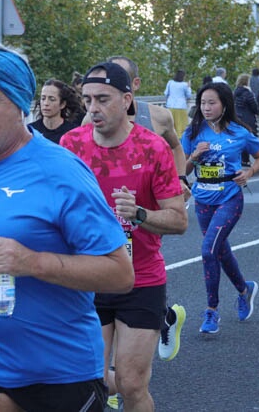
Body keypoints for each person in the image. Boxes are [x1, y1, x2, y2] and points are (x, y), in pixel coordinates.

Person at [0, 43, 133, 412]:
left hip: (57, 370)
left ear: (20, 107)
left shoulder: (61, 172)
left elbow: (120, 274)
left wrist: (33, 263)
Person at [62, 61, 187, 412]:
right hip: (88, 276)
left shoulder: (152, 148)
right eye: (87, 100)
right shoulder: (72, 144)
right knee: (93, 379)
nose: (93, 108)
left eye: (102, 99)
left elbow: (178, 221)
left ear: (127, 99)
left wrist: (140, 214)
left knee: (132, 384)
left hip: (140, 279)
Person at [104, 56, 190, 361]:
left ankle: (149, 323)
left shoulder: (158, 116)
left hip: (149, 202)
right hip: (115, 205)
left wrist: (178, 179)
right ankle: (161, 318)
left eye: (120, 80)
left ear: (134, 86)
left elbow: (176, 148)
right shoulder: (93, 121)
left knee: (142, 261)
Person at [182, 81, 259, 335]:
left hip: (229, 196)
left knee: (209, 250)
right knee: (219, 250)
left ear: (224, 104)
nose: (206, 108)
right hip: (203, 198)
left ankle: (211, 311)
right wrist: (194, 156)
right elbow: (182, 170)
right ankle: (244, 289)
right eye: (202, 103)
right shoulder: (192, 132)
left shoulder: (238, 132)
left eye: (212, 103)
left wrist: (249, 171)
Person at [29, 78, 83, 144]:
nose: (46, 103)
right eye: (43, 98)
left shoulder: (74, 133)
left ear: (62, 104)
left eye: (52, 99)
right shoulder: (30, 131)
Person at [233, 74, 259, 165]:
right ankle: (249, 159)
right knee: (250, 138)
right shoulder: (247, 93)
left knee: (239, 139)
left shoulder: (235, 92)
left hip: (237, 118)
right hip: (248, 118)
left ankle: (241, 159)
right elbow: (254, 107)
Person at [163, 70, 193, 137]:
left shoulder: (170, 83)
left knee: (172, 125)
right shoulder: (184, 85)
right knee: (181, 126)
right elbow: (188, 95)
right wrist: (189, 87)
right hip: (181, 106)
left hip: (170, 105)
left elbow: (166, 93)